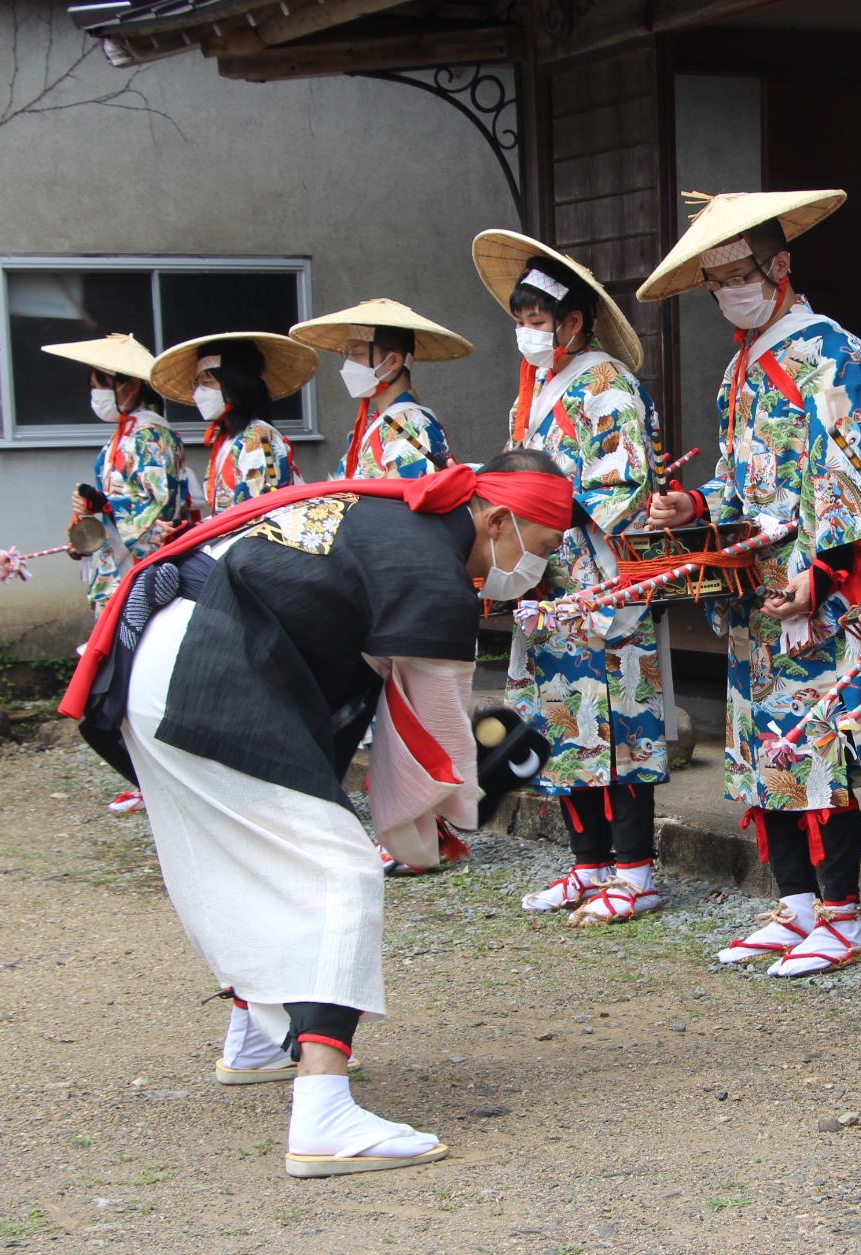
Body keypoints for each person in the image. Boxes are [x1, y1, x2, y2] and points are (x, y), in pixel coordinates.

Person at [58, 452, 571, 1177]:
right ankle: (324, 1109)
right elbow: (438, 742)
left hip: (172, 660)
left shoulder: (395, 518)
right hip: (213, 667)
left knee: (253, 862)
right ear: (496, 518)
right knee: (338, 870)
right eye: (540, 549)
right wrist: (441, 823)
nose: (536, 573)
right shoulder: (432, 571)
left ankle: (257, 1038)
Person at [636, 189, 861, 977]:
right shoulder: (739, 370)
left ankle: (842, 912)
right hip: (757, 594)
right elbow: (739, 483)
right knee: (765, 751)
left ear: (781, 265)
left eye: (740, 273)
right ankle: (798, 904)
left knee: (825, 742)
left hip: (820, 589)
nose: (727, 292)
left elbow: (853, 474)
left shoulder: (834, 353)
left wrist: (823, 574)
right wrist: (695, 503)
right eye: (715, 282)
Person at [473, 231, 671, 923]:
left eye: (538, 321)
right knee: (559, 720)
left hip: (595, 572)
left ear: (574, 321)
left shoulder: (607, 385)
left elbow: (622, 487)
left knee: (612, 720)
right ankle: (588, 864)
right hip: (544, 575)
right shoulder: (531, 394)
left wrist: (544, 500)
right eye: (520, 322)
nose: (528, 334)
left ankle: (636, 869)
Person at [41, 332, 181, 815]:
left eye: (102, 382)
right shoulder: (121, 438)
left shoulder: (151, 434)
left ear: (128, 385)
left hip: (138, 568)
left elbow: (157, 507)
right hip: (116, 567)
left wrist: (107, 505)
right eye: (94, 381)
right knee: (123, 677)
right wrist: (91, 515)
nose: (96, 392)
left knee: (133, 676)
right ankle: (146, 776)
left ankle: (157, 775)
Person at [290, 298, 469, 479]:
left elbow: (408, 498)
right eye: (347, 354)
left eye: (358, 353)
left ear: (393, 361)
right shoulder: (372, 423)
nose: (349, 364)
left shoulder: (410, 424)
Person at [150, 331, 314, 514]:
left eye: (207, 381)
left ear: (236, 383)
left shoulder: (260, 439)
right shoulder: (228, 439)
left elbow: (256, 513)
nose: (198, 392)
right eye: (197, 383)